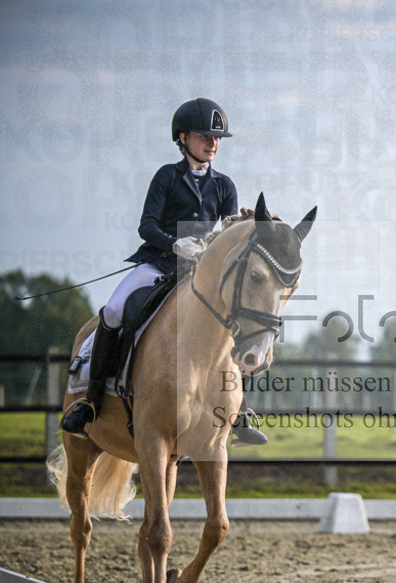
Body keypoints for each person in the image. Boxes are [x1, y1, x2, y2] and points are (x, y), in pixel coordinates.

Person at [60, 97, 268, 444]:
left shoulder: (224, 186)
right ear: (183, 138)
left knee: (238, 323)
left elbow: (230, 233)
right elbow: (146, 226)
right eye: (205, 136)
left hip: (200, 276)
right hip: (158, 265)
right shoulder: (167, 177)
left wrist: (213, 249)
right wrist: (175, 243)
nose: (212, 143)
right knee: (112, 312)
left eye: (217, 138)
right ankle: (91, 404)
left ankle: (238, 410)